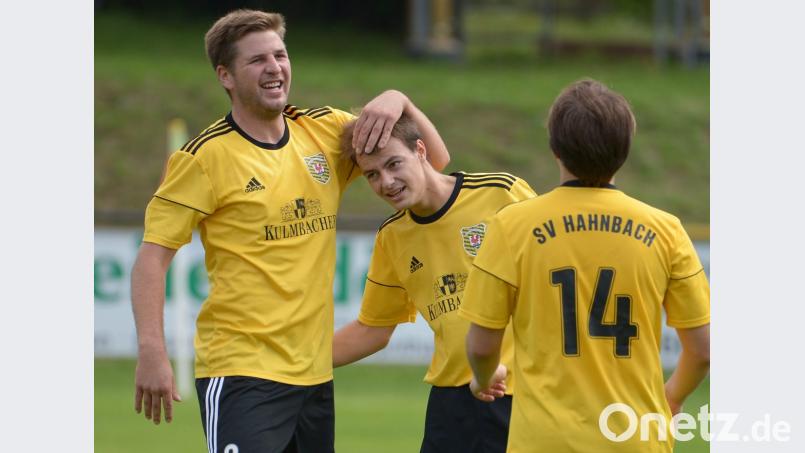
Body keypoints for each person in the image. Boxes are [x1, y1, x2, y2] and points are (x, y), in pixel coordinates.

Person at [130, 9, 450, 453]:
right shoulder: (203, 158)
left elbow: (431, 162)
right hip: (242, 373)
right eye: (257, 60)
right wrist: (151, 350)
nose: (274, 67)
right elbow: (152, 258)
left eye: (280, 54)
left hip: (314, 379)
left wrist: (400, 99)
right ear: (225, 75)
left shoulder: (325, 131)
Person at [459, 79, 710, 452]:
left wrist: (483, 380)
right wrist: (670, 398)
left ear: (555, 148)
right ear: (625, 148)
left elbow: (482, 347)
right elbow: (703, 350)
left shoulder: (512, 226)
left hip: (544, 442)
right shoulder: (665, 230)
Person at [332, 113, 537, 452]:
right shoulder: (393, 237)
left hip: (521, 394)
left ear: (421, 151)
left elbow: (559, 270)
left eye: (394, 163)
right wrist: (291, 361)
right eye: (372, 175)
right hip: (451, 406)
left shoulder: (501, 193)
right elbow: (373, 329)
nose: (386, 181)